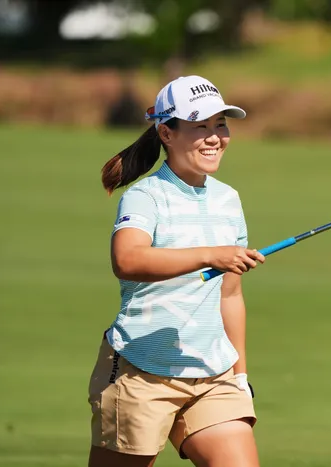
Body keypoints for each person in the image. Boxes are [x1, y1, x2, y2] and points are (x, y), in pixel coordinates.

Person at [88, 75, 266, 467]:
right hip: (141, 371)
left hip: (212, 375)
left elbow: (230, 295)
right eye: (200, 126)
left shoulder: (228, 199)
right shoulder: (146, 196)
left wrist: (239, 376)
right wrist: (210, 255)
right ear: (166, 133)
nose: (215, 137)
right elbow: (127, 260)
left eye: (220, 124)